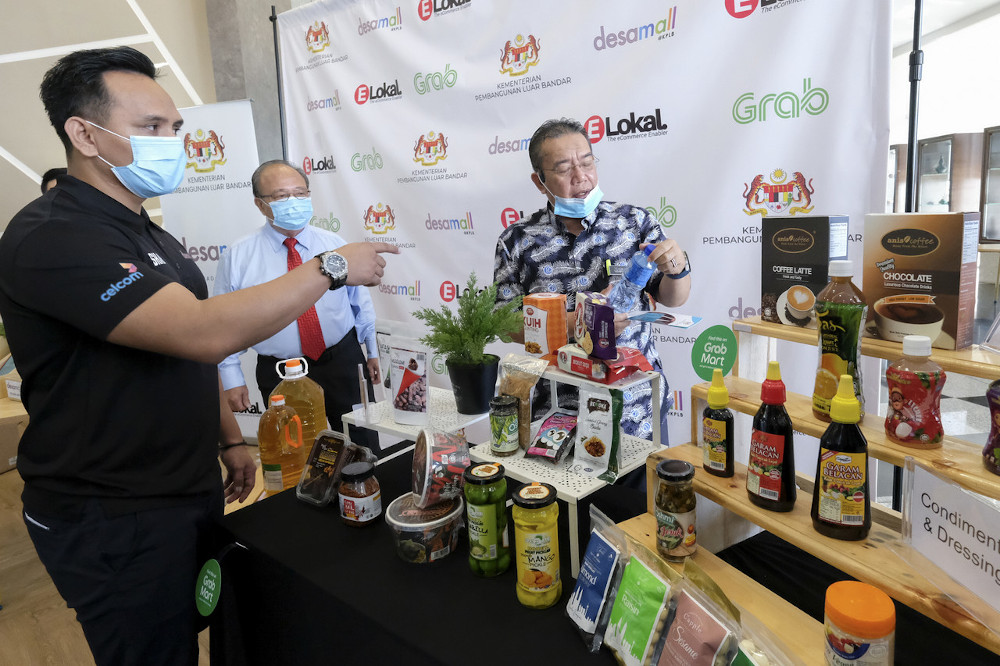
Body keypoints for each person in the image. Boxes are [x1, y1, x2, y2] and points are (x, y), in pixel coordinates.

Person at [0, 46, 397, 666]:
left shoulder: (146, 232)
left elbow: (185, 359)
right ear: (83, 133)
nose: (170, 142)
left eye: (175, 128)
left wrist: (228, 440)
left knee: (204, 628)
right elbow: (201, 333)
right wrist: (334, 266)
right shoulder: (55, 235)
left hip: (185, 487)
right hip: (111, 510)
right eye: (149, 128)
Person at [493, 117, 691, 443]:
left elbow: (674, 298)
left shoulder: (634, 222)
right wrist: (578, 326)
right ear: (539, 181)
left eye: (587, 162)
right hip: (557, 415)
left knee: (642, 495)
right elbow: (504, 322)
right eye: (563, 168)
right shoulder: (517, 241)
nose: (581, 176)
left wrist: (677, 269)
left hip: (636, 409)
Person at [215, 159, 380, 448]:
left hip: (342, 359)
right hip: (281, 373)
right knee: (294, 453)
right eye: (280, 196)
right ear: (259, 204)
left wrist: (372, 350)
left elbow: (359, 302)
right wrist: (231, 377)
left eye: (300, 193)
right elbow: (221, 320)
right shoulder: (239, 256)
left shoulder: (334, 244)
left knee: (363, 443)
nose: (293, 201)